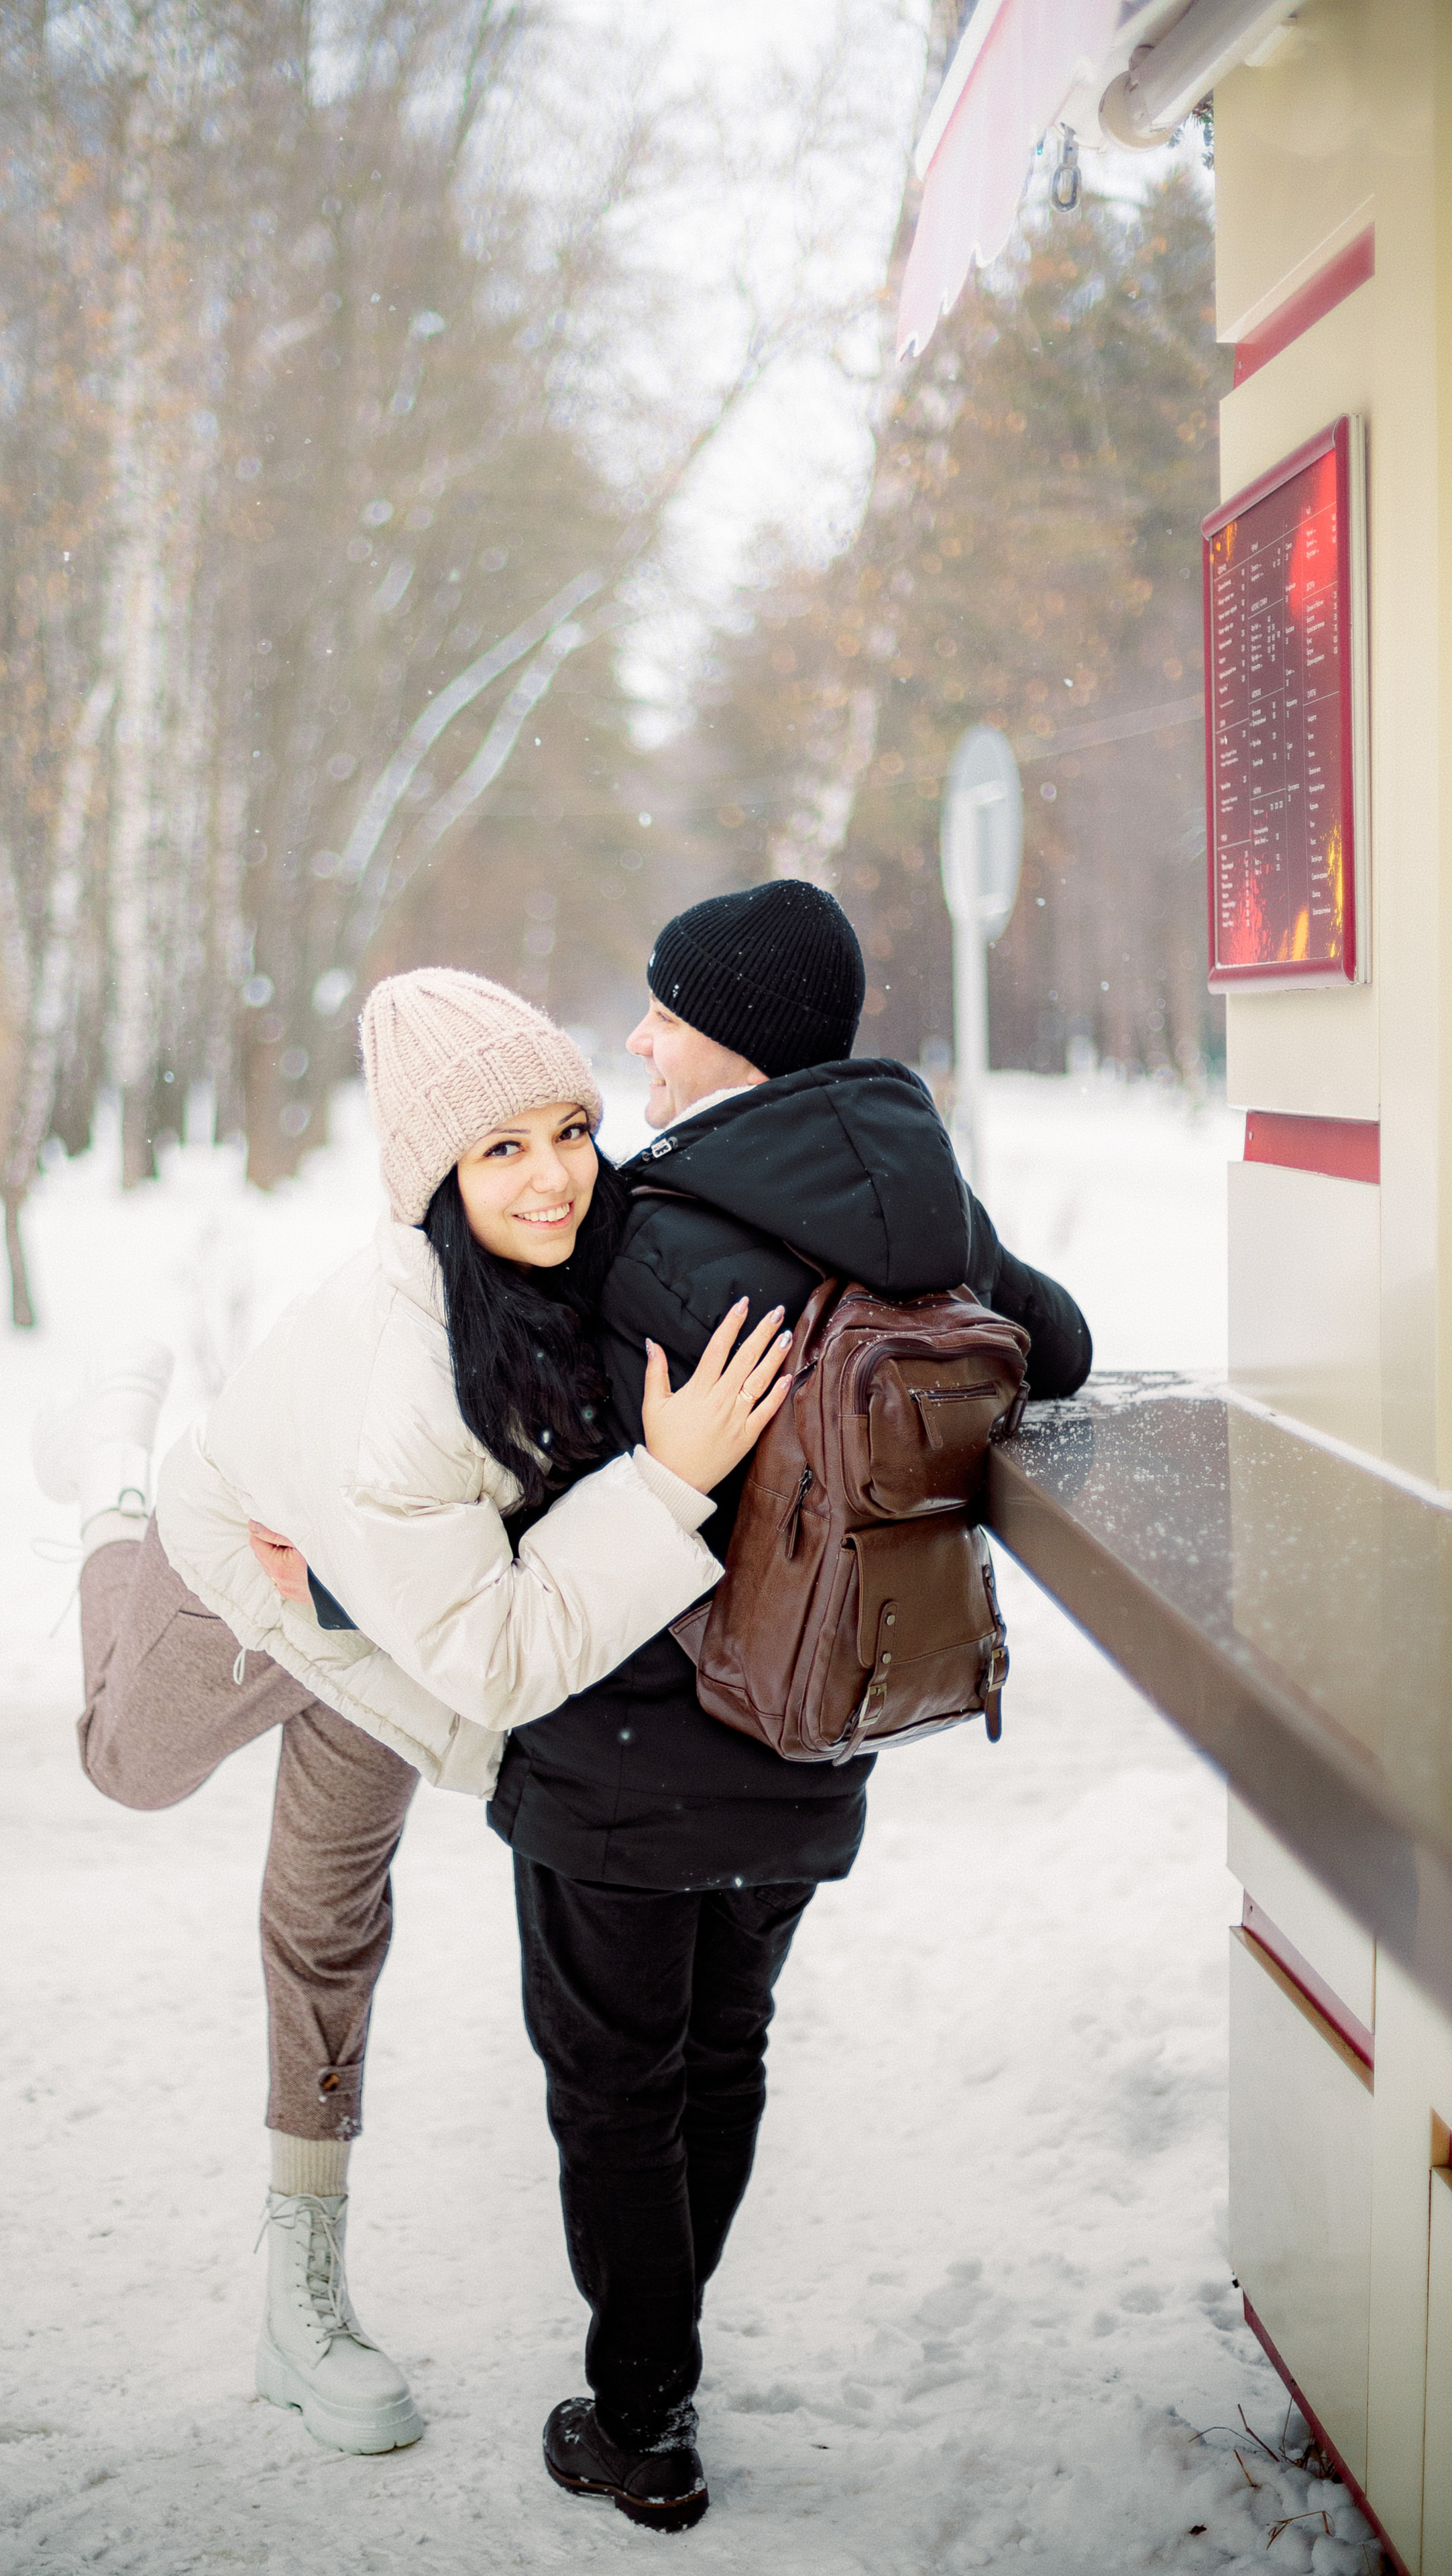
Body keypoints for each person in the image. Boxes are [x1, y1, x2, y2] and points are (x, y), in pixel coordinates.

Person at [39, 969, 789, 2462]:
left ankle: (295, 2305)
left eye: (565, 1128)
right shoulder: (398, 1384)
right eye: (497, 1149)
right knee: (124, 1763)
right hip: (238, 1569)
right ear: (431, 1178)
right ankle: (108, 1488)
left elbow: (476, 1617)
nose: (554, 1175)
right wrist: (665, 1484)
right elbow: (503, 1662)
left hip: (371, 1612)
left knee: (324, 1922)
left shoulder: (579, 1255)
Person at [472, 880, 1093, 2532]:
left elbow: (518, 1451)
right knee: (721, 2051)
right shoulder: (920, 1196)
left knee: (616, 2083)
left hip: (622, 1740)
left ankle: (640, 2416)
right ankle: (655, 2382)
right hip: (819, 1719)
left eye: (661, 1011)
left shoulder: (638, 1224)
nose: (636, 1041)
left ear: (726, 1031)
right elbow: (1065, 1348)